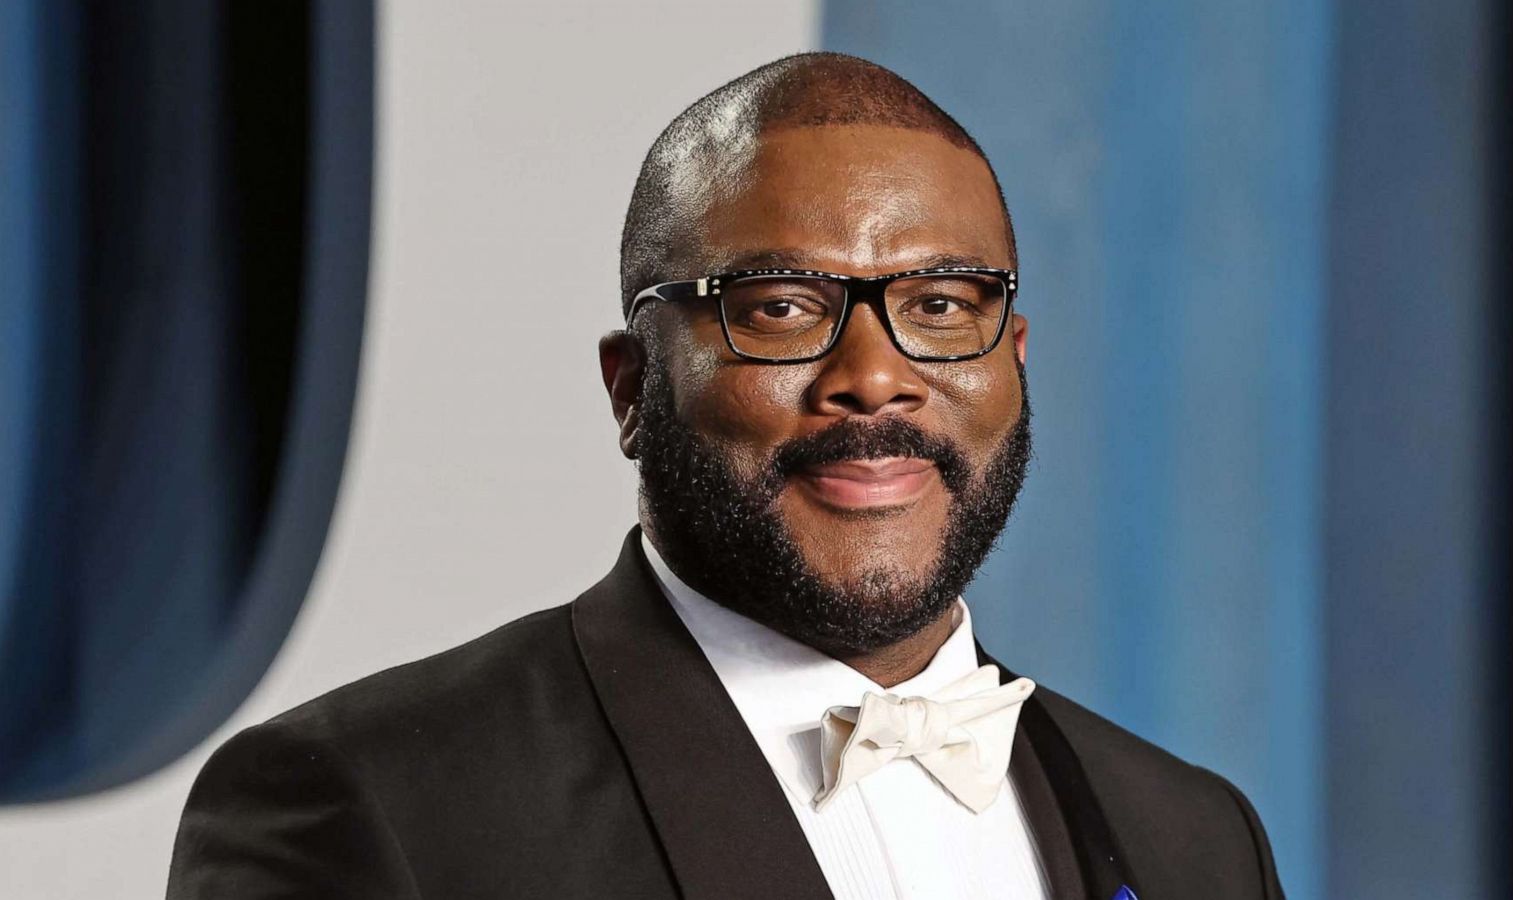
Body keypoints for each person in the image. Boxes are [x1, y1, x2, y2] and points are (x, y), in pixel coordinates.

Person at [167, 52, 1284, 900]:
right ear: (629, 389)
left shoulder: (1194, 838)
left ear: (1013, 360)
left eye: (941, 307)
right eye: (781, 309)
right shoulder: (371, 807)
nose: (875, 379)